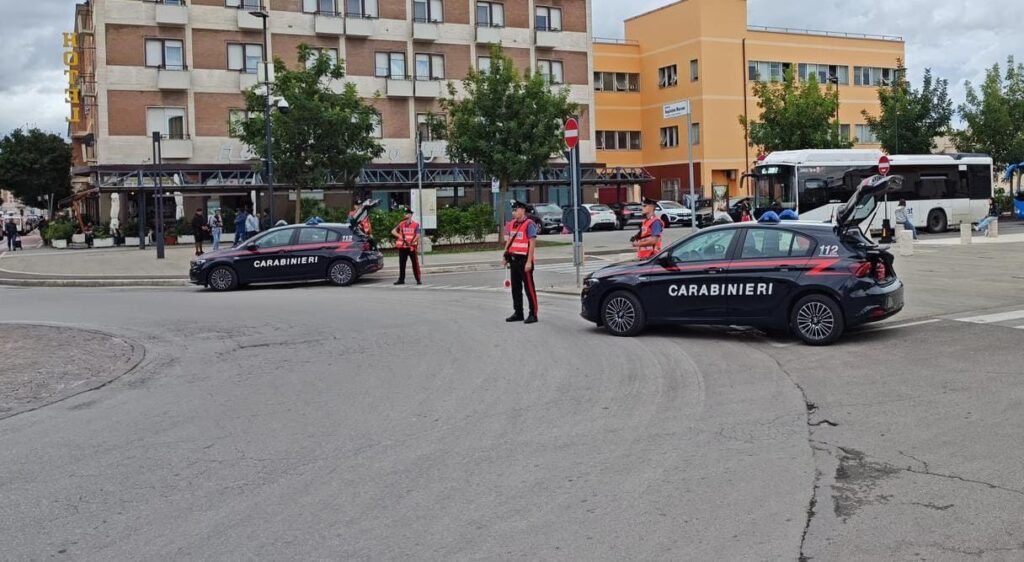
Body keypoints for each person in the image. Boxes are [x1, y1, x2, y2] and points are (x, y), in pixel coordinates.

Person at [503, 200, 539, 324]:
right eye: (513, 210)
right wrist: (505, 255)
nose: (513, 212)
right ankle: (518, 312)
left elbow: (532, 243)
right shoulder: (512, 224)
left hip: (524, 261)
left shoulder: (529, 224)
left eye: (516, 210)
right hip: (514, 260)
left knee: (529, 288)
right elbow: (509, 240)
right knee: (516, 288)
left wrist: (529, 262)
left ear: (523, 210)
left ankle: (533, 314)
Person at [391, 208, 422, 285]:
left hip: (411, 247)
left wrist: (412, 242)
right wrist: (399, 236)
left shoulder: (415, 224)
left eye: (407, 213)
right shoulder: (401, 224)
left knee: (415, 264)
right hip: (403, 247)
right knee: (402, 264)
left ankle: (418, 279)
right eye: (405, 213)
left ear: (411, 215)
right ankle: (401, 280)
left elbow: (418, 235)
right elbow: (393, 231)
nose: (406, 215)